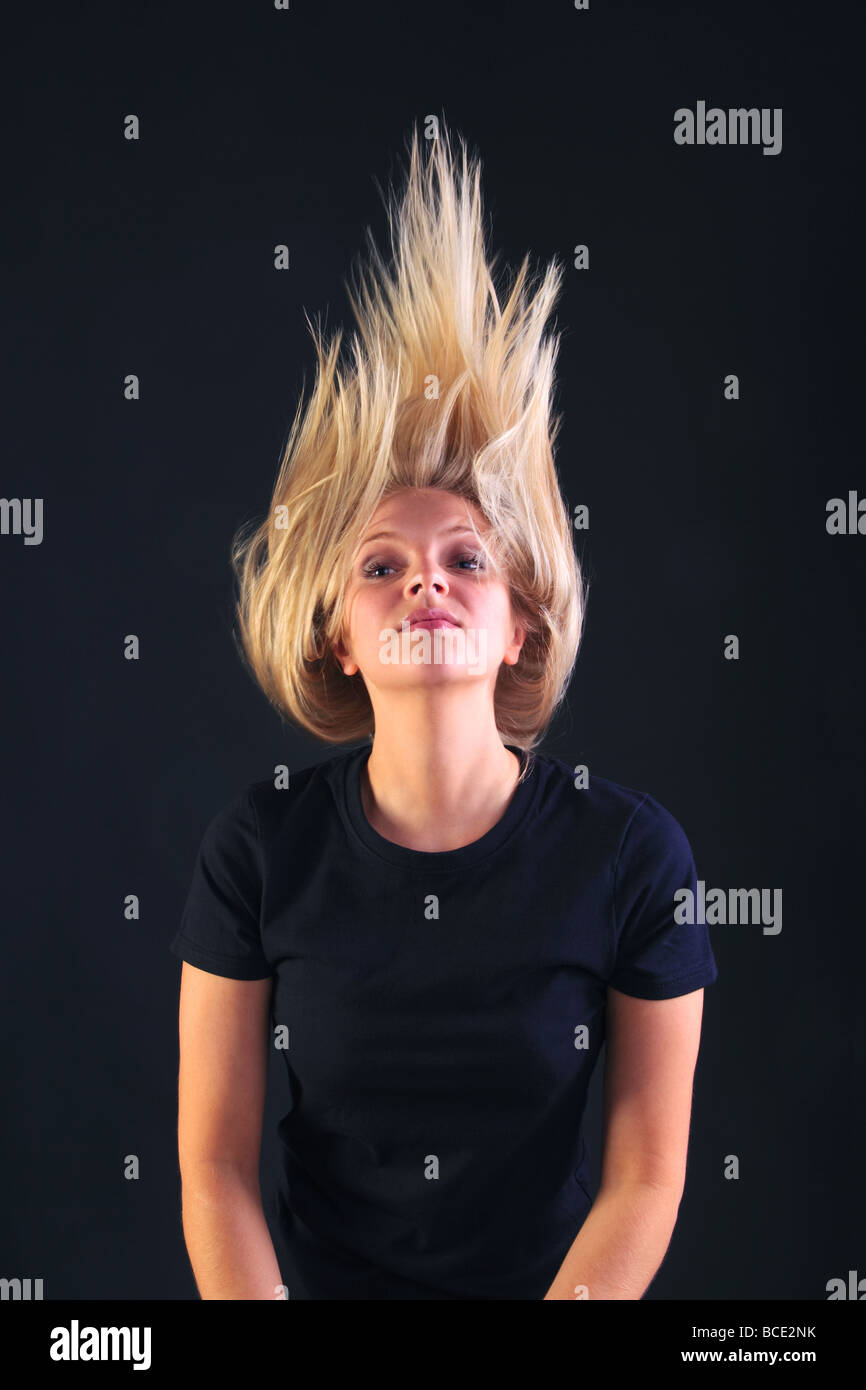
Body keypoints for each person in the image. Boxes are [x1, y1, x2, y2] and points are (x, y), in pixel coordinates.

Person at [169, 122, 718, 1301]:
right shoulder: (256, 853)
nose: (425, 580)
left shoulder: (630, 856)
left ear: (518, 625)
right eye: (380, 567)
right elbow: (212, 1168)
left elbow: (646, 1178)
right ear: (339, 638)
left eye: (465, 559)